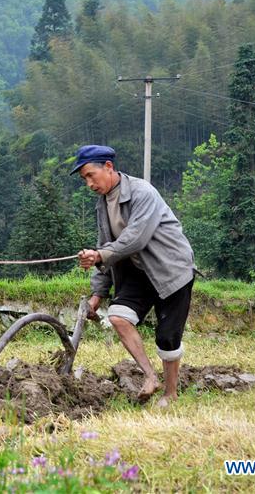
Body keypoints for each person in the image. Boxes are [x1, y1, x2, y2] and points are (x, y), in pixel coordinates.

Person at [71, 145, 195, 407]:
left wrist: (100, 255)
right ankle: (151, 377)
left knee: (167, 336)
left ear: (108, 166)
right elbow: (105, 243)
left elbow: (135, 239)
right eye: (85, 179)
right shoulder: (103, 204)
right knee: (118, 316)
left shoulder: (142, 192)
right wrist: (97, 294)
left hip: (170, 268)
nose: (89, 184)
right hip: (138, 272)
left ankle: (170, 394)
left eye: (92, 175)